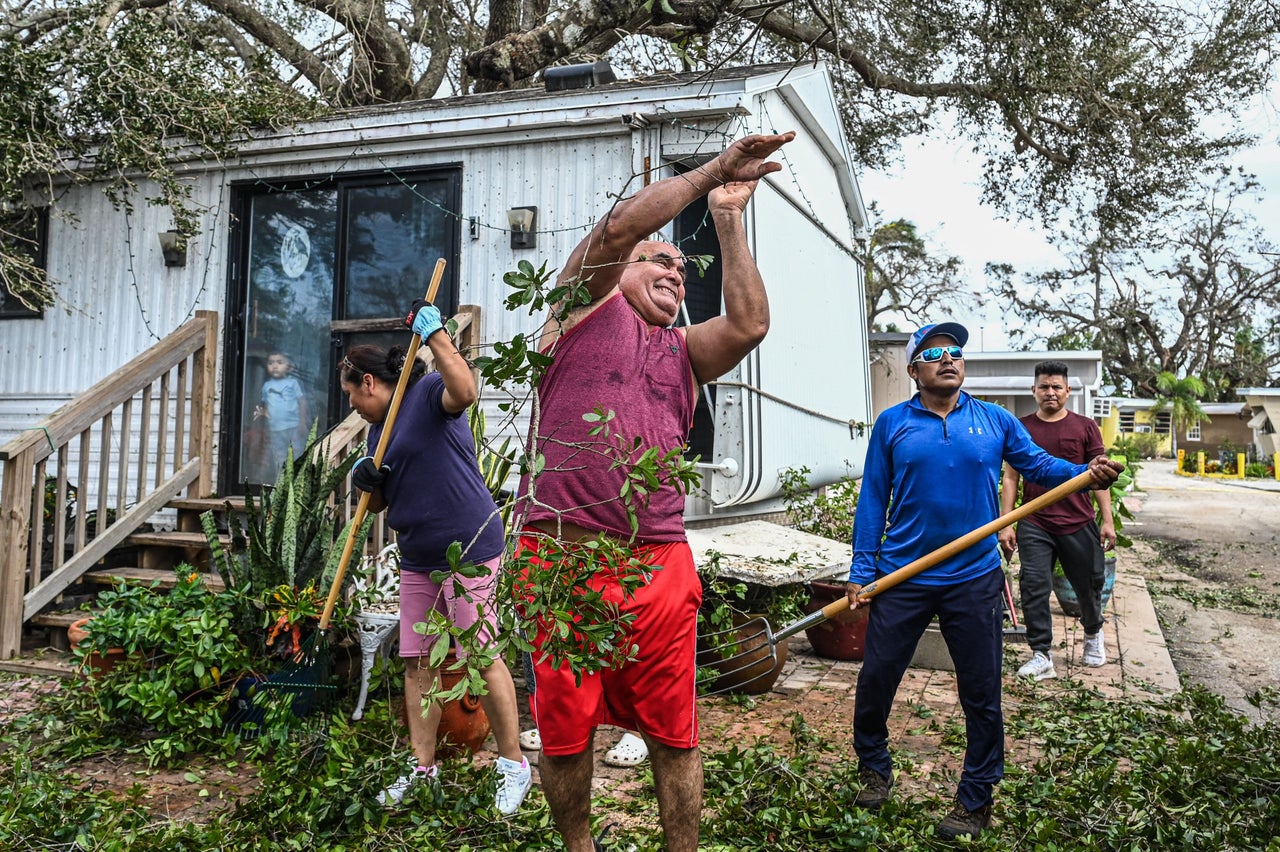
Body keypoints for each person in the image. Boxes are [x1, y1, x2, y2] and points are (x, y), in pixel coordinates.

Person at [513, 130, 795, 852]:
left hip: (658, 564)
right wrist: (711, 173)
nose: (675, 269)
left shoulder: (684, 351)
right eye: (659, 259)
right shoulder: (575, 312)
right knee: (566, 730)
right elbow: (620, 226)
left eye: (681, 264)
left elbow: (750, 323)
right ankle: (580, 847)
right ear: (620, 271)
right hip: (564, 563)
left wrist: (728, 219)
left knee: (675, 730)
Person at [845, 322, 1122, 840]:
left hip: (973, 577)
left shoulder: (993, 420)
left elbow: (1036, 463)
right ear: (914, 370)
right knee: (877, 678)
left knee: (981, 690)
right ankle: (874, 769)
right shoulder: (892, 424)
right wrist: (862, 572)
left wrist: (1087, 471)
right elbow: (872, 500)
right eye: (934, 353)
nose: (948, 359)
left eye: (955, 352)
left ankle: (975, 798)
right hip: (902, 575)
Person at [340, 311, 531, 816]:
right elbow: (380, 506)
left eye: (352, 396)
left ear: (368, 382)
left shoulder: (426, 396)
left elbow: (465, 390)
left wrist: (437, 336)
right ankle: (421, 766)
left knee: (480, 654)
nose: (353, 407)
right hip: (419, 555)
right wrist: (369, 483)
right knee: (417, 660)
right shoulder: (374, 435)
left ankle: (513, 765)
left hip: (468, 547)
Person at [998, 361, 1115, 680]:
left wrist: (1108, 520)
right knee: (1034, 586)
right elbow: (1011, 478)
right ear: (1033, 391)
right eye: (1044, 387)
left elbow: (1099, 476)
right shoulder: (1020, 427)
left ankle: (1093, 633)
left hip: (1078, 521)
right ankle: (1041, 654)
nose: (1050, 392)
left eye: (1056, 387)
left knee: (1088, 586)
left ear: (1068, 391)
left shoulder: (1086, 426)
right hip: (1035, 521)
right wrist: (1005, 523)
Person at [256, 350, 310, 474]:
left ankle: (296, 476)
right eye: (271, 363)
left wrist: (302, 422)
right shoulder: (266, 386)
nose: (275, 366)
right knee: (279, 454)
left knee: (296, 453)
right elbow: (265, 406)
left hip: (293, 426)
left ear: (289, 367)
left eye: (279, 362)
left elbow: (302, 402)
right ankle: (281, 479)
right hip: (275, 428)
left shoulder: (293, 383)